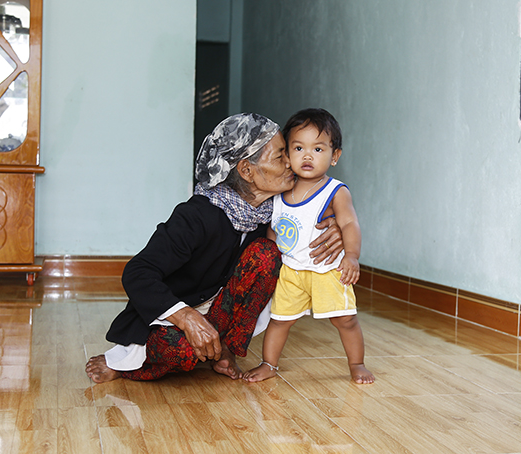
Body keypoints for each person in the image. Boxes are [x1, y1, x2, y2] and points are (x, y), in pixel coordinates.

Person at [85, 113, 344, 383]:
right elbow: (137, 272)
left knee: (267, 254)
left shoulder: (275, 212)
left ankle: (225, 349)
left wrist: (334, 227)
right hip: (173, 314)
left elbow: (311, 211)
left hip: (218, 309)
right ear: (247, 171)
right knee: (183, 352)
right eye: (281, 156)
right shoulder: (196, 216)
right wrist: (186, 317)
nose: (291, 162)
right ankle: (124, 365)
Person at [243, 108, 374, 384]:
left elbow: (350, 224)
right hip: (291, 272)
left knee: (345, 320)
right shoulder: (279, 191)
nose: (307, 156)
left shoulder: (335, 191)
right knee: (280, 320)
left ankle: (357, 364)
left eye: (318, 149)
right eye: (298, 148)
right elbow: (274, 230)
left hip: (327, 270)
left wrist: (352, 256)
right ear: (287, 155)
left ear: (334, 156)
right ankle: (269, 364)